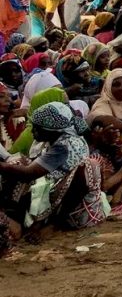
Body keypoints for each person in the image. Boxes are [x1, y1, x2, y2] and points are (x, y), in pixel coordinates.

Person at [0, 102, 105, 247]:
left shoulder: (63, 146)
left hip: (74, 210)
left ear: (52, 129)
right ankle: (19, 222)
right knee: (19, 167)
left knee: (19, 171)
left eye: (37, 128)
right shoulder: (57, 141)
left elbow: (30, 173)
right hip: (57, 197)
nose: (32, 132)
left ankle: (48, 226)